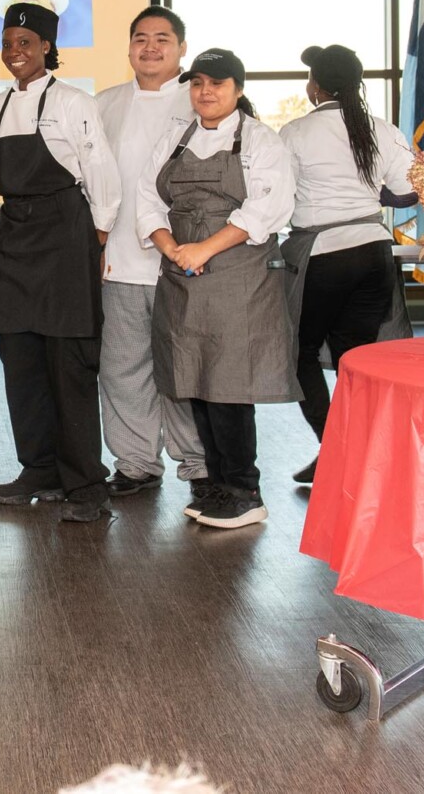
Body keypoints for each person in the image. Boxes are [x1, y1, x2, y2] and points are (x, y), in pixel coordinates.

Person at [137, 49, 297, 531]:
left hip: (236, 276)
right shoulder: (175, 137)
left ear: (239, 89)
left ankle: (245, 491)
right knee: (196, 382)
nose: (206, 92)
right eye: (198, 83)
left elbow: (265, 211)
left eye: (218, 84)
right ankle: (219, 484)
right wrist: (171, 248)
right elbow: (148, 197)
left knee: (229, 385)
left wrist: (202, 249)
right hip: (183, 272)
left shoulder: (261, 142)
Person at [0, 1, 121, 524]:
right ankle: (38, 468)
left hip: (65, 233)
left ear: (46, 47)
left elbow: (101, 172)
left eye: (26, 42)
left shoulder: (72, 102)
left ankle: (86, 484)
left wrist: (97, 238)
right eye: (9, 42)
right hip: (14, 233)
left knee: (70, 366)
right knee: (19, 360)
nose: (15, 51)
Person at [278, 44, 415, 484]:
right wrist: (368, 192)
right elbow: (409, 191)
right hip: (374, 251)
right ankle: (353, 449)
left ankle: (335, 446)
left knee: (296, 353)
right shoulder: (379, 128)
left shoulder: (296, 132)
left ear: (315, 86)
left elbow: (280, 199)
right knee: (354, 359)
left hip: (323, 254)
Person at [94, 8, 207, 498]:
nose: (151, 47)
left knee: (187, 368)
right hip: (119, 259)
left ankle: (200, 463)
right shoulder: (104, 104)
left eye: (163, 39)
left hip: (187, 262)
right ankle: (136, 461)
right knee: (122, 367)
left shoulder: (204, 99)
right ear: (129, 48)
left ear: (182, 48)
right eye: (141, 38)